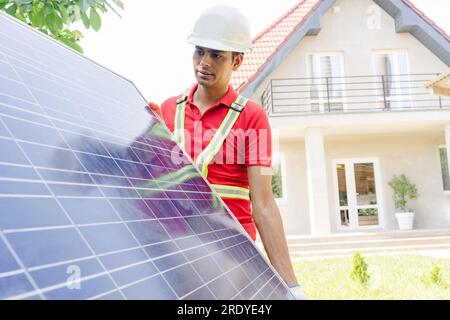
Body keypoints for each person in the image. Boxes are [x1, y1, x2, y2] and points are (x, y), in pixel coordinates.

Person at [149, 5, 307, 300]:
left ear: (237, 61)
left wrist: (291, 286)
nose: (204, 62)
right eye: (199, 51)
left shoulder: (252, 118)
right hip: (175, 251)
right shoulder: (168, 110)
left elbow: (263, 205)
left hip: (230, 259)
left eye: (217, 55)